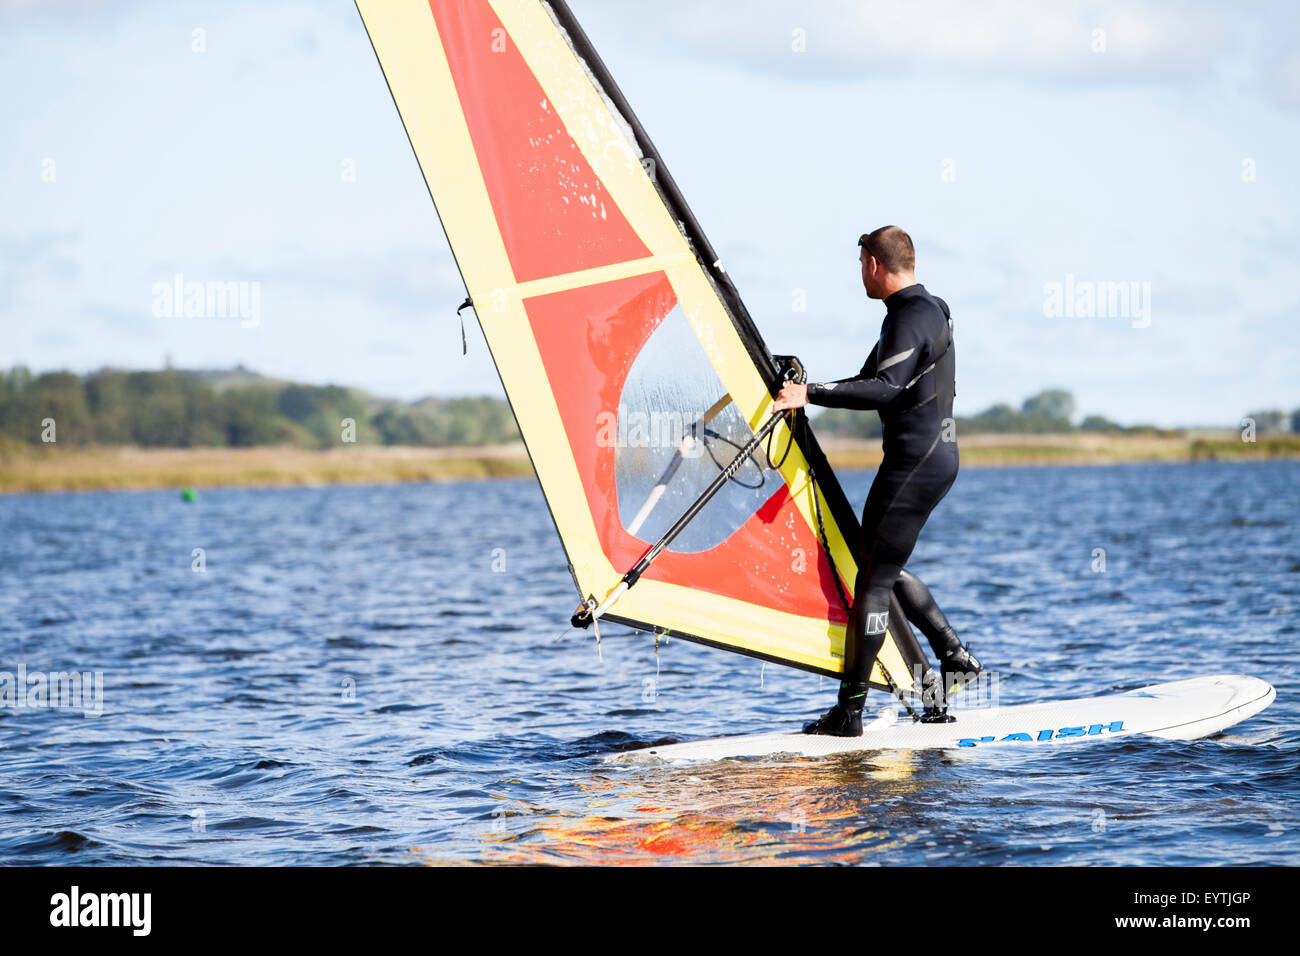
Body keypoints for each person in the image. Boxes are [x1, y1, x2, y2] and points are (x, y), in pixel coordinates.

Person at [772, 225, 980, 735]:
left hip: (915, 463)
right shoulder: (924, 310)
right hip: (929, 460)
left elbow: (884, 390)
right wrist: (807, 384)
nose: (859, 273)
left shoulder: (911, 318)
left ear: (873, 264)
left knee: (872, 580)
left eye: (860, 263)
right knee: (880, 566)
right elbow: (871, 379)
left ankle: (851, 712)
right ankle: (947, 669)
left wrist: (810, 395)